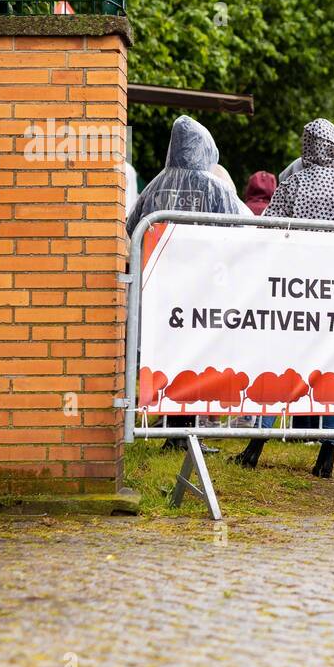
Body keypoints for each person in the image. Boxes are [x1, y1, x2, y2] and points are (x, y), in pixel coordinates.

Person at [231, 119, 334, 475]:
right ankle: (327, 453)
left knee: (279, 365)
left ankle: (257, 443)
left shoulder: (293, 183)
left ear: (307, 146)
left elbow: (270, 232)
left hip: (295, 292)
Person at [126, 116, 243, 454]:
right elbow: (243, 227)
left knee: (170, 358)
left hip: (162, 288)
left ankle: (175, 431)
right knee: (195, 359)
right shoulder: (215, 186)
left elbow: (132, 226)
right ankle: (186, 433)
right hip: (205, 289)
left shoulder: (155, 186)